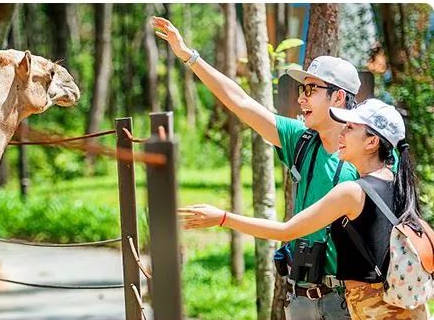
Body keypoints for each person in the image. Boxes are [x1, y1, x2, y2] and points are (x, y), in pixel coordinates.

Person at [153, 16, 360, 318]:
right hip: (301, 297)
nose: (301, 97)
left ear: (338, 96)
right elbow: (240, 102)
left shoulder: (367, 151)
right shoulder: (299, 140)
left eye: (311, 89)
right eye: (302, 89)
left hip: (349, 300)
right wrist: (189, 55)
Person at [180, 99, 434, 320]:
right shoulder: (396, 181)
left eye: (350, 128)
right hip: (404, 306)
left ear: (372, 141)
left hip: (375, 310)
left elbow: (287, 231)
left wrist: (222, 217)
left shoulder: (352, 192)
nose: (341, 134)